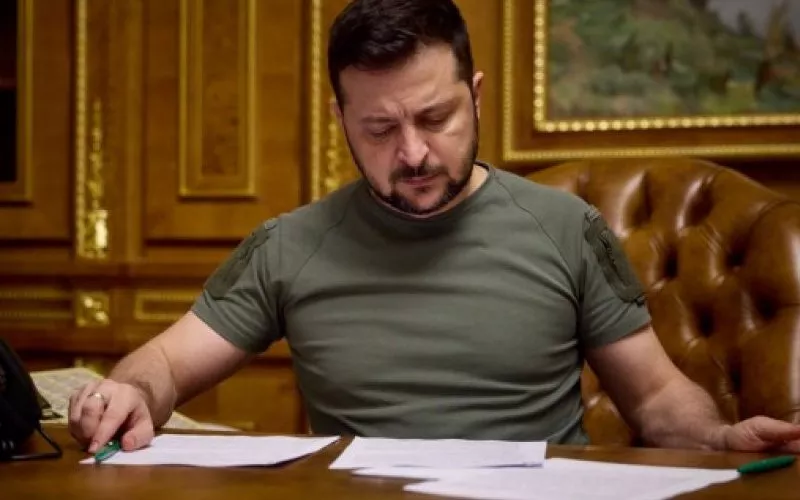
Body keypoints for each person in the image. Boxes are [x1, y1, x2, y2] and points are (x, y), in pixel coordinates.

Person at [69, 0, 800, 455]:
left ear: (475, 97)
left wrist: (717, 435)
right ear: (340, 119)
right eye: (380, 128)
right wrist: (129, 391)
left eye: (435, 117)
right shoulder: (289, 246)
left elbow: (656, 399)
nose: (413, 152)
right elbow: (162, 366)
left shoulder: (566, 228)